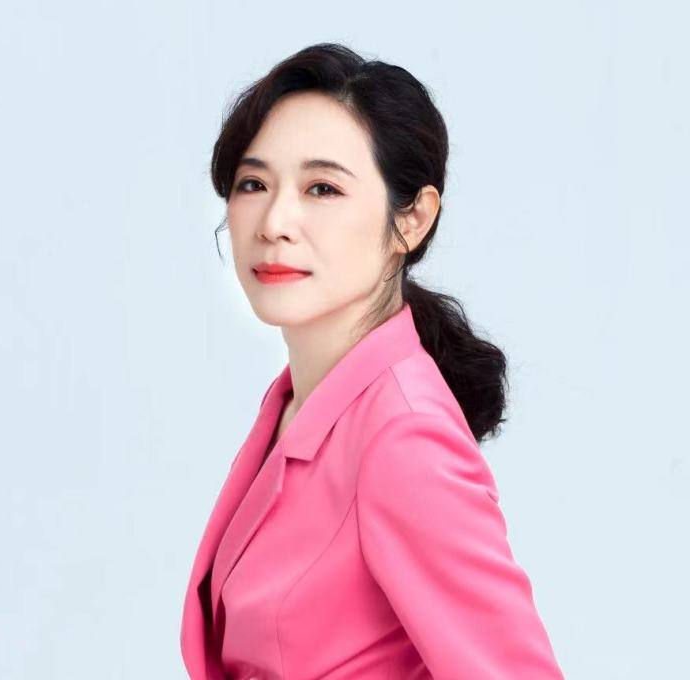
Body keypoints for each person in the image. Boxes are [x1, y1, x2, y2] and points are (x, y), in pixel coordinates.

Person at [180, 42, 565, 680]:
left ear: (412, 220)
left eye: (322, 188)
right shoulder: (299, 401)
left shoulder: (402, 435)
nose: (275, 221)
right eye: (254, 184)